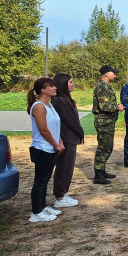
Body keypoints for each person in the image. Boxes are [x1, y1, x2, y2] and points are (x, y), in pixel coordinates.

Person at [27, 78, 64, 222]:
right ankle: (36, 212)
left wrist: (59, 142)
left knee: (45, 179)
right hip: (42, 149)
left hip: (51, 148)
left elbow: (55, 127)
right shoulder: (38, 106)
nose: (55, 88)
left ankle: (42, 207)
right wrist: (55, 144)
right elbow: (43, 129)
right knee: (40, 181)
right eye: (51, 86)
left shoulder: (49, 105)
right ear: (43, 90)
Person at [51, 73, 84, 208]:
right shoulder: (59, 101)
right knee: (64, 168)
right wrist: (81, 132)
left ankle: (62, 194)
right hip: (66, 139)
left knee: (68, 168)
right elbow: (70, 121)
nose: (73, 84)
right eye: (70, 82)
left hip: (70, 138)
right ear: (63, 84)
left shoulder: (65, 99)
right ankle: (59, 197)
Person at [92, 65, 124, 184]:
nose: (115, 75)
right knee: (103, 147)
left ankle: (102, 170)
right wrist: (118, 107)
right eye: (113, 73)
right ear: (106, 74)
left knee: (108, 146)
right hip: (104, 121)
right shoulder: (102, 88)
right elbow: (104, 106)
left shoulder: (106, 87)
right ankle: (98, 174)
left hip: (108, 121)